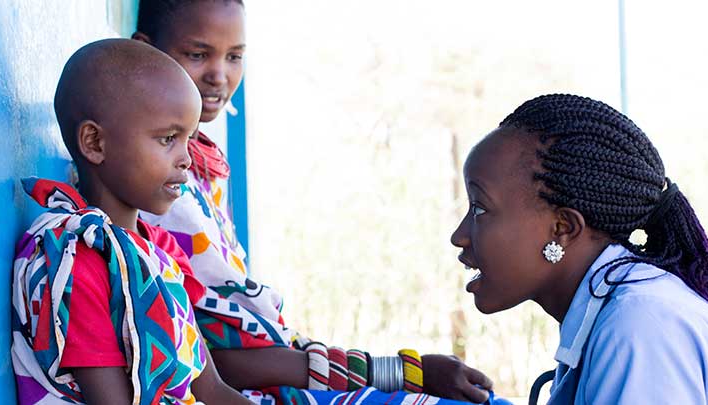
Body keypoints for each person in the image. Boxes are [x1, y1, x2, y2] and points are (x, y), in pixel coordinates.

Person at [131, 1, 504, 404]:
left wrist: (401, 372)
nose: (219, 76)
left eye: (235, 56)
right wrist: (401, 373)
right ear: (144, 52)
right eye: (198, 54)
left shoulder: (203, 168)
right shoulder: (150, 188)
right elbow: (214, 356)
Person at [450, 93, 708, 404]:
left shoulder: (640, 327)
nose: (460, 235)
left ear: (562, 229)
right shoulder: (620, 311)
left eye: (480, 208)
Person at [10, 38, 252, 405]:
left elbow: (213, 390)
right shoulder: (81, 263)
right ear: (94, 143)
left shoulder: (160, 251)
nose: (186, 159)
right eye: (168, 139)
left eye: (188, 139)